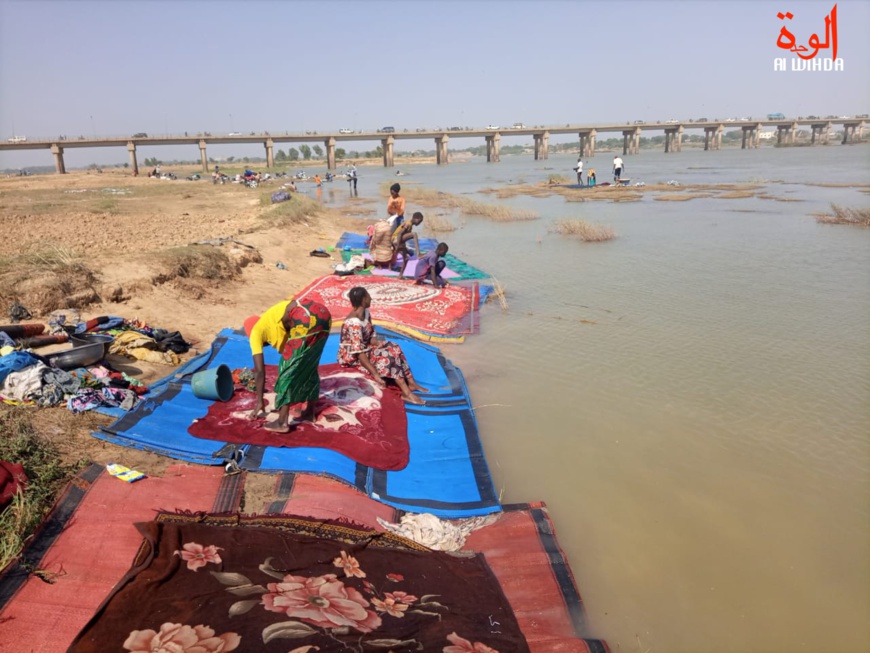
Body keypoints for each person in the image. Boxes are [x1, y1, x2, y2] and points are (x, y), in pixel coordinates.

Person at [246, 298, 333, 432]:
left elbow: (259, 370)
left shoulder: (256, 332)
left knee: (286, 368)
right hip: (324, 315)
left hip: (304, 316)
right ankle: (310, 413)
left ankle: (282, 422)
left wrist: (259, 401)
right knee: (310, 363)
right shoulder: (270, 320)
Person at [338, 287, 427, 405]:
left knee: (394, 347)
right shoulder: (353, 323)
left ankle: (411, 382)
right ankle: (406, 392)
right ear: (364, 299)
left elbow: (371, 333)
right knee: (388, 355)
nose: (371, 298)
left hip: (366, 347)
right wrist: (375, 374)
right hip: (353, 358)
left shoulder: (365, 313)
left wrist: (375, 342)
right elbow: (359, 353)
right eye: (368, 296)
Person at [391, 212, 424, 278]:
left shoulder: (410, 225)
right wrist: (397, 246)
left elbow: (403, 237)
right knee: (414, 234)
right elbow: (400, 234)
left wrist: (406, 250)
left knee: (406, 258)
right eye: (419, 221)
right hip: (396, 239)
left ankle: (400, 275)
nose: (419, 223)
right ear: (416, 218)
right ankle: (418, 254)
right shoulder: (408, 224)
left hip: (399, 241)